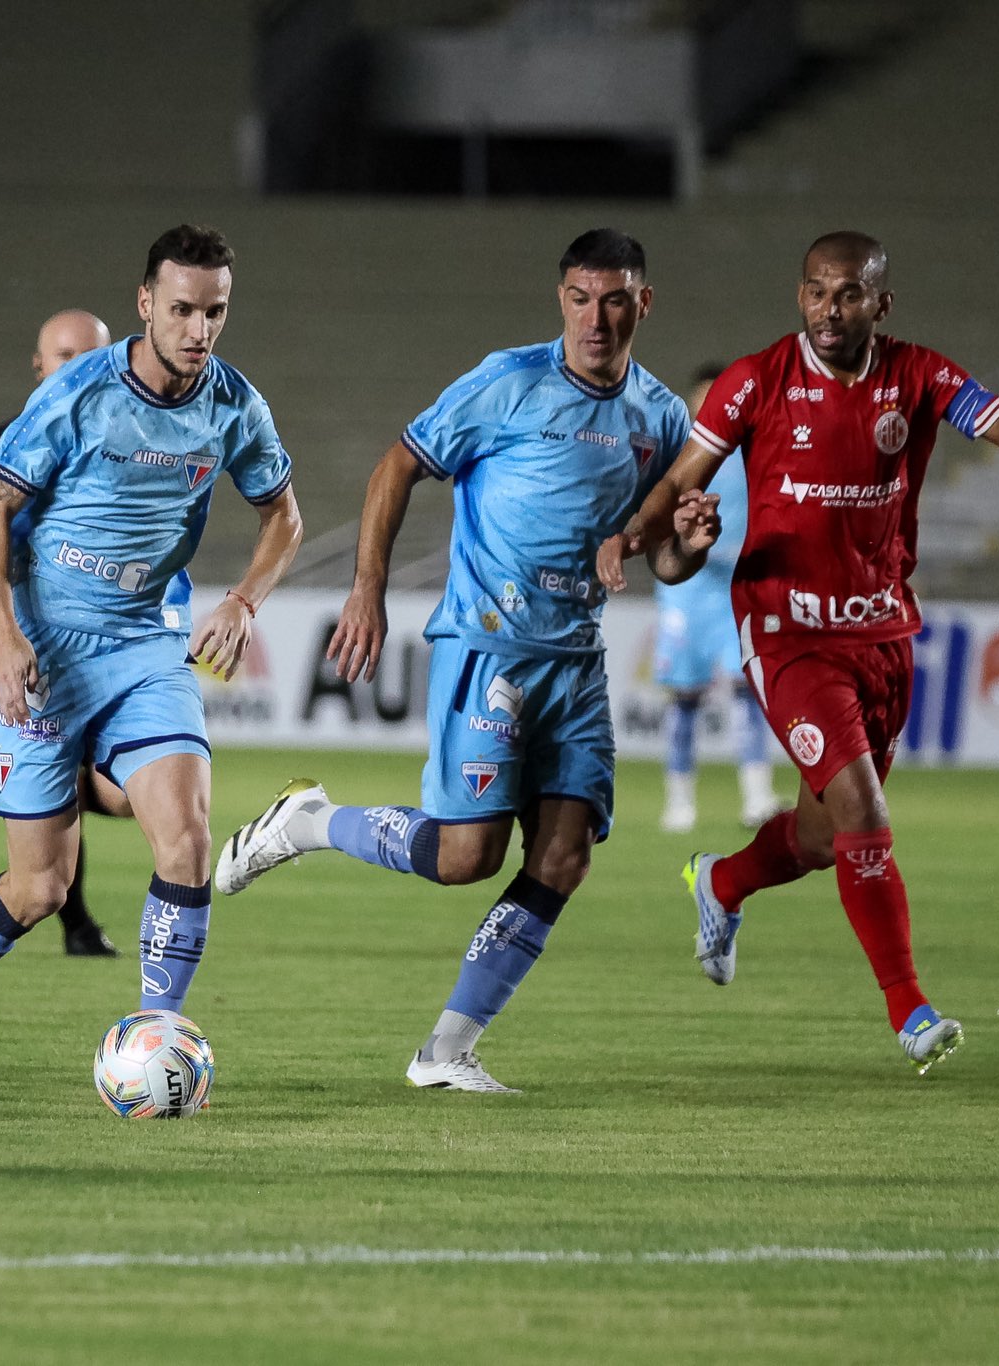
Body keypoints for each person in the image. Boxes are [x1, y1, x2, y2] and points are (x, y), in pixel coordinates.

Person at [214, 228, 702, 1094]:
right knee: (464, 857)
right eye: (580, 299)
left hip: (577, 662)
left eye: (615, 300)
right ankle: (309, 822)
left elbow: (661, 556)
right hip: (490, 644)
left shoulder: (661, 418)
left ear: (644, 303)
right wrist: (366, 590)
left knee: (565, 857)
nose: (596, 319)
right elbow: (396, 467)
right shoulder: (508, 383)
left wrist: (688, 546)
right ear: (561, 300)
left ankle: (445, 1051)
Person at [600, 230, 999, 1075]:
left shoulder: (919, 374)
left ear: (881, 303)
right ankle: (911, 1011)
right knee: (864, 813)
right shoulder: (755, 381)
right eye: (817, 292)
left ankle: (721, 883)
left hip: (882, 633)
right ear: (801, 296)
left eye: (850, 294)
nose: (830, 310)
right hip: (786, 630)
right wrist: (633, 536)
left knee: (825, 836)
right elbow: (682, 480)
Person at [0, 225, 305, 1092]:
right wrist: (5, 637)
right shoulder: (78, 395)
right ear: (146, 304)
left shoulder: (235, 405)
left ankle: (158, 1038)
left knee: (186, 840)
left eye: (216, 312)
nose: (199, 330)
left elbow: (284, 516)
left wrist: (242, 601)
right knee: (41, 888)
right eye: (184, 310)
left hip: (146, 644)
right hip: (45, 648)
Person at [0, 308, 120, 958]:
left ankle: (69, 906)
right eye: (63, 356)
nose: (76, 369)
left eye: (90, 357)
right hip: (25, 641)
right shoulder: (1, 448)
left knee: (122, 793)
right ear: (38, 366)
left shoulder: (127, 443)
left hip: (107, 644)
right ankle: (72, 921)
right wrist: (19, 614)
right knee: (63, 798)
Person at [651, 362, 781, 833]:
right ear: (691, 403)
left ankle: (757, 797)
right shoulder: (676, 454)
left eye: (718, 397)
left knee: (748, 691)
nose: (711, 406)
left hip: (740, 589)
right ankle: (679, 802)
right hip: (688, 591)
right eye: (703, 398)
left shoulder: (757, 452)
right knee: (684, 697)